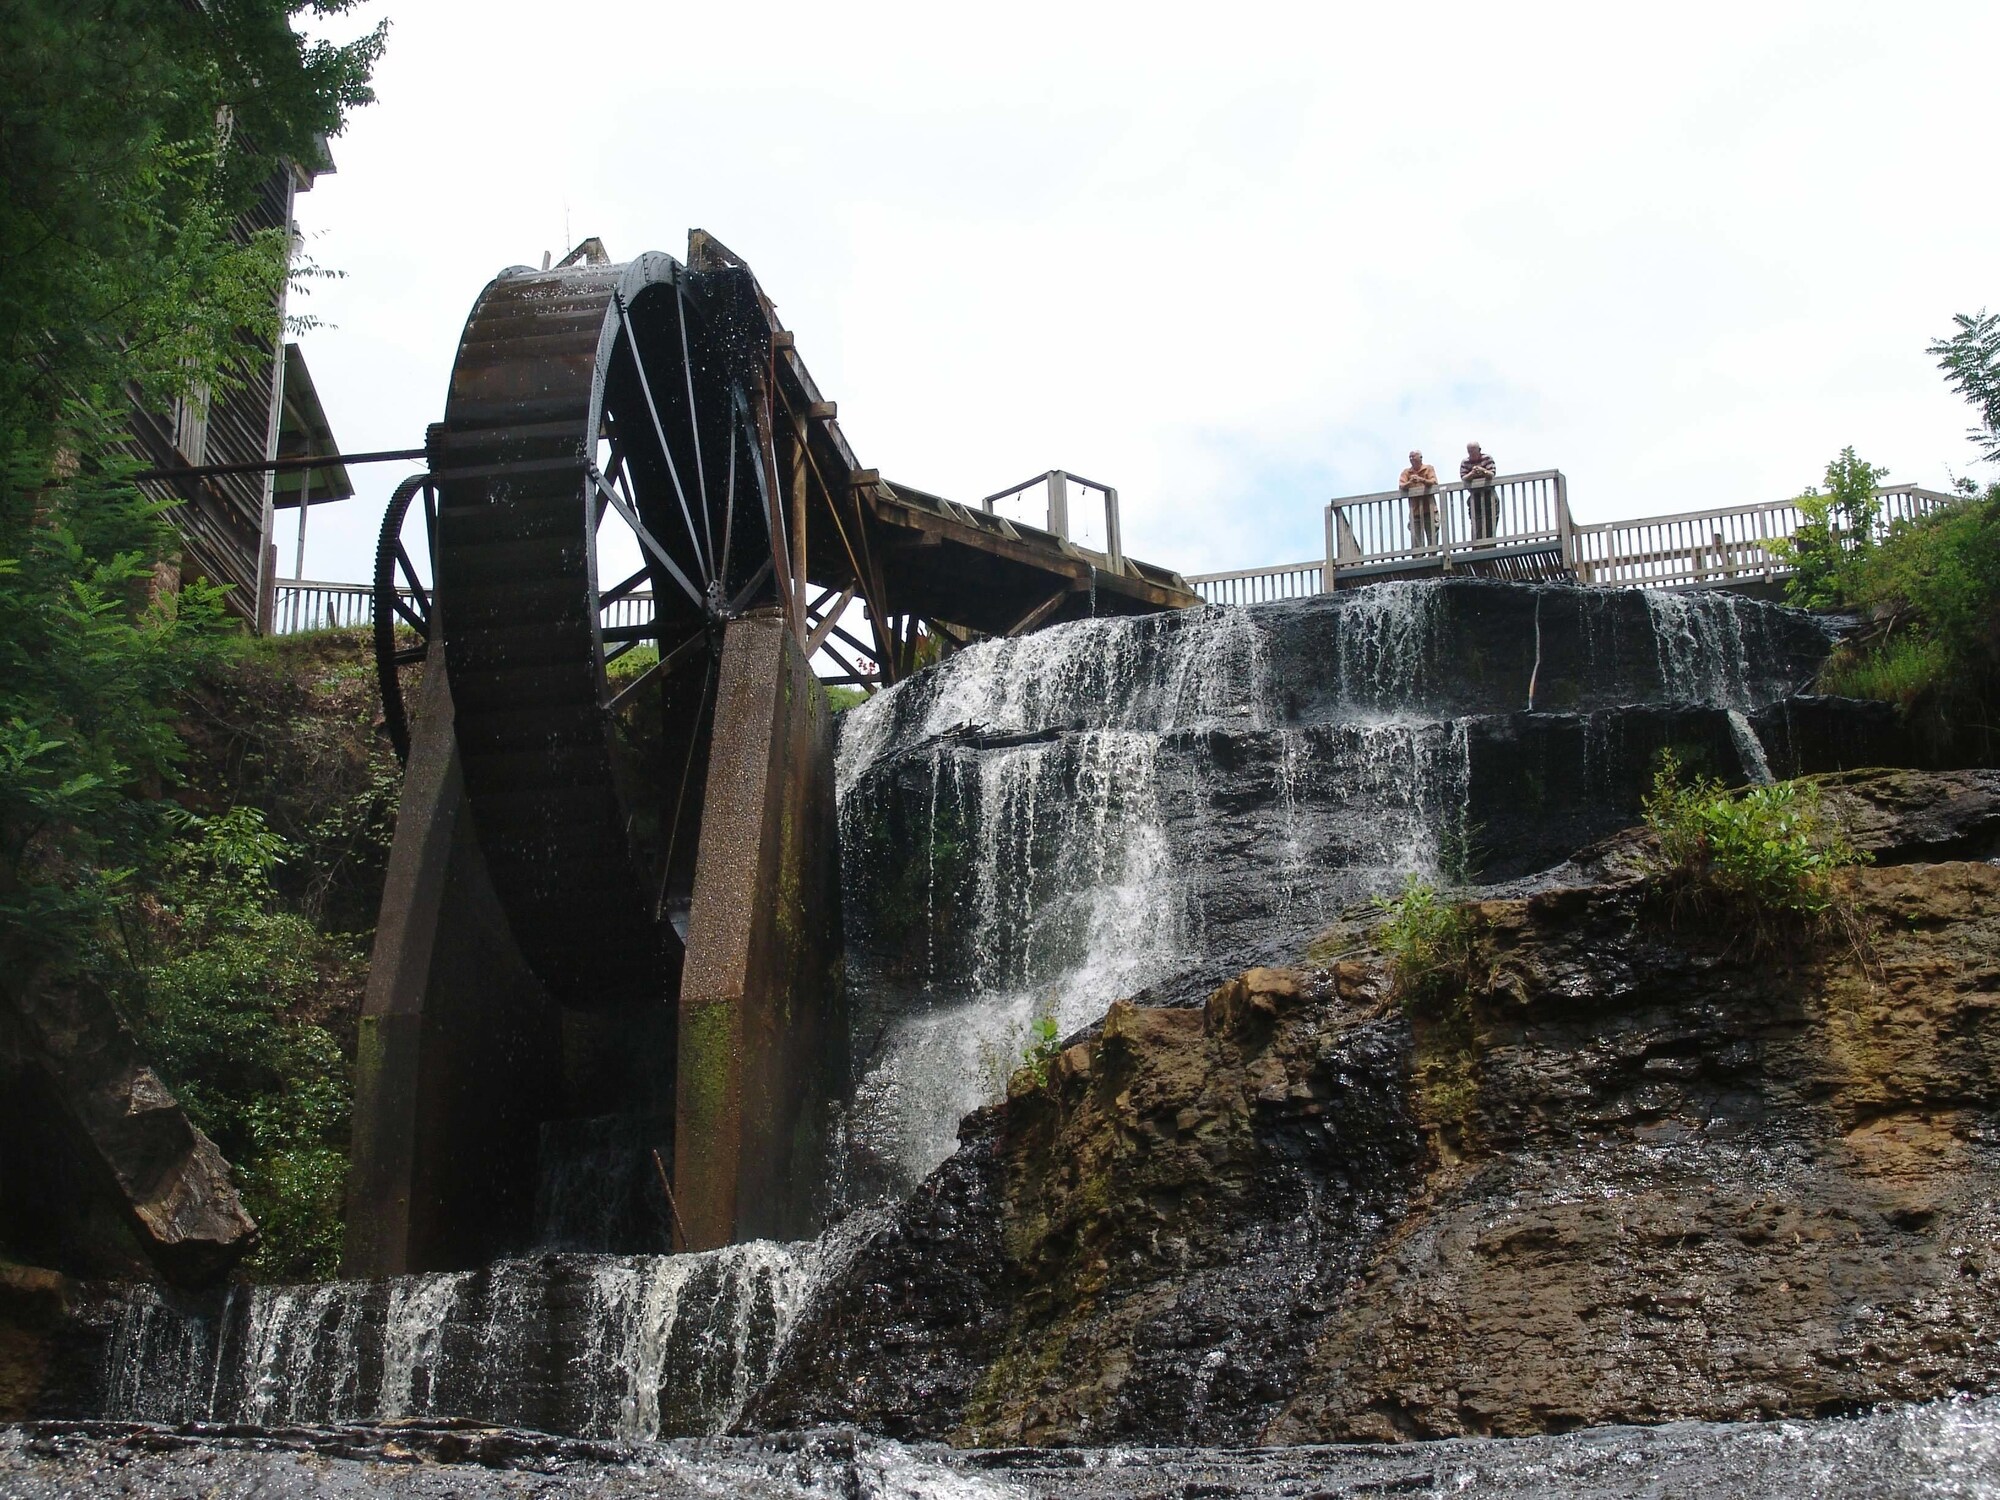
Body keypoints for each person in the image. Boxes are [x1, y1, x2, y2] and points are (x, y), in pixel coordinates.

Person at [1398, 450, 1440, 547]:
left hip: (1430, 509)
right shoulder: (1406, 472)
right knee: (1416, 538)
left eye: (1413, 456)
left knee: (1432, 536)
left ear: (1420, 458)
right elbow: (1401, 486)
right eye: (1410, 457)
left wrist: (1422, 480)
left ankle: (1432, 555)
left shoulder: (1428, 468)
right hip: (1415, 511)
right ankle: (1418, 557)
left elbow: (1434, 482)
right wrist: (1410, 482)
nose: (1411, 459)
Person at [1461, 442, 1499, 539]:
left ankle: (1490, 545)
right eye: (1469, 452)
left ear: (1479, 450)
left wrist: (1483, 471)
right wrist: (1472, 474)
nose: (1471, 454)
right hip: (1475, 496)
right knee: (1476, 523)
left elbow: (1492, 474)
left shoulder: (1487, 458)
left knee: (1491, 521)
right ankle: (1477, 545)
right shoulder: (1465, 462)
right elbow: (1464, 478)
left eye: (1473, 451)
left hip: (1489, 494)